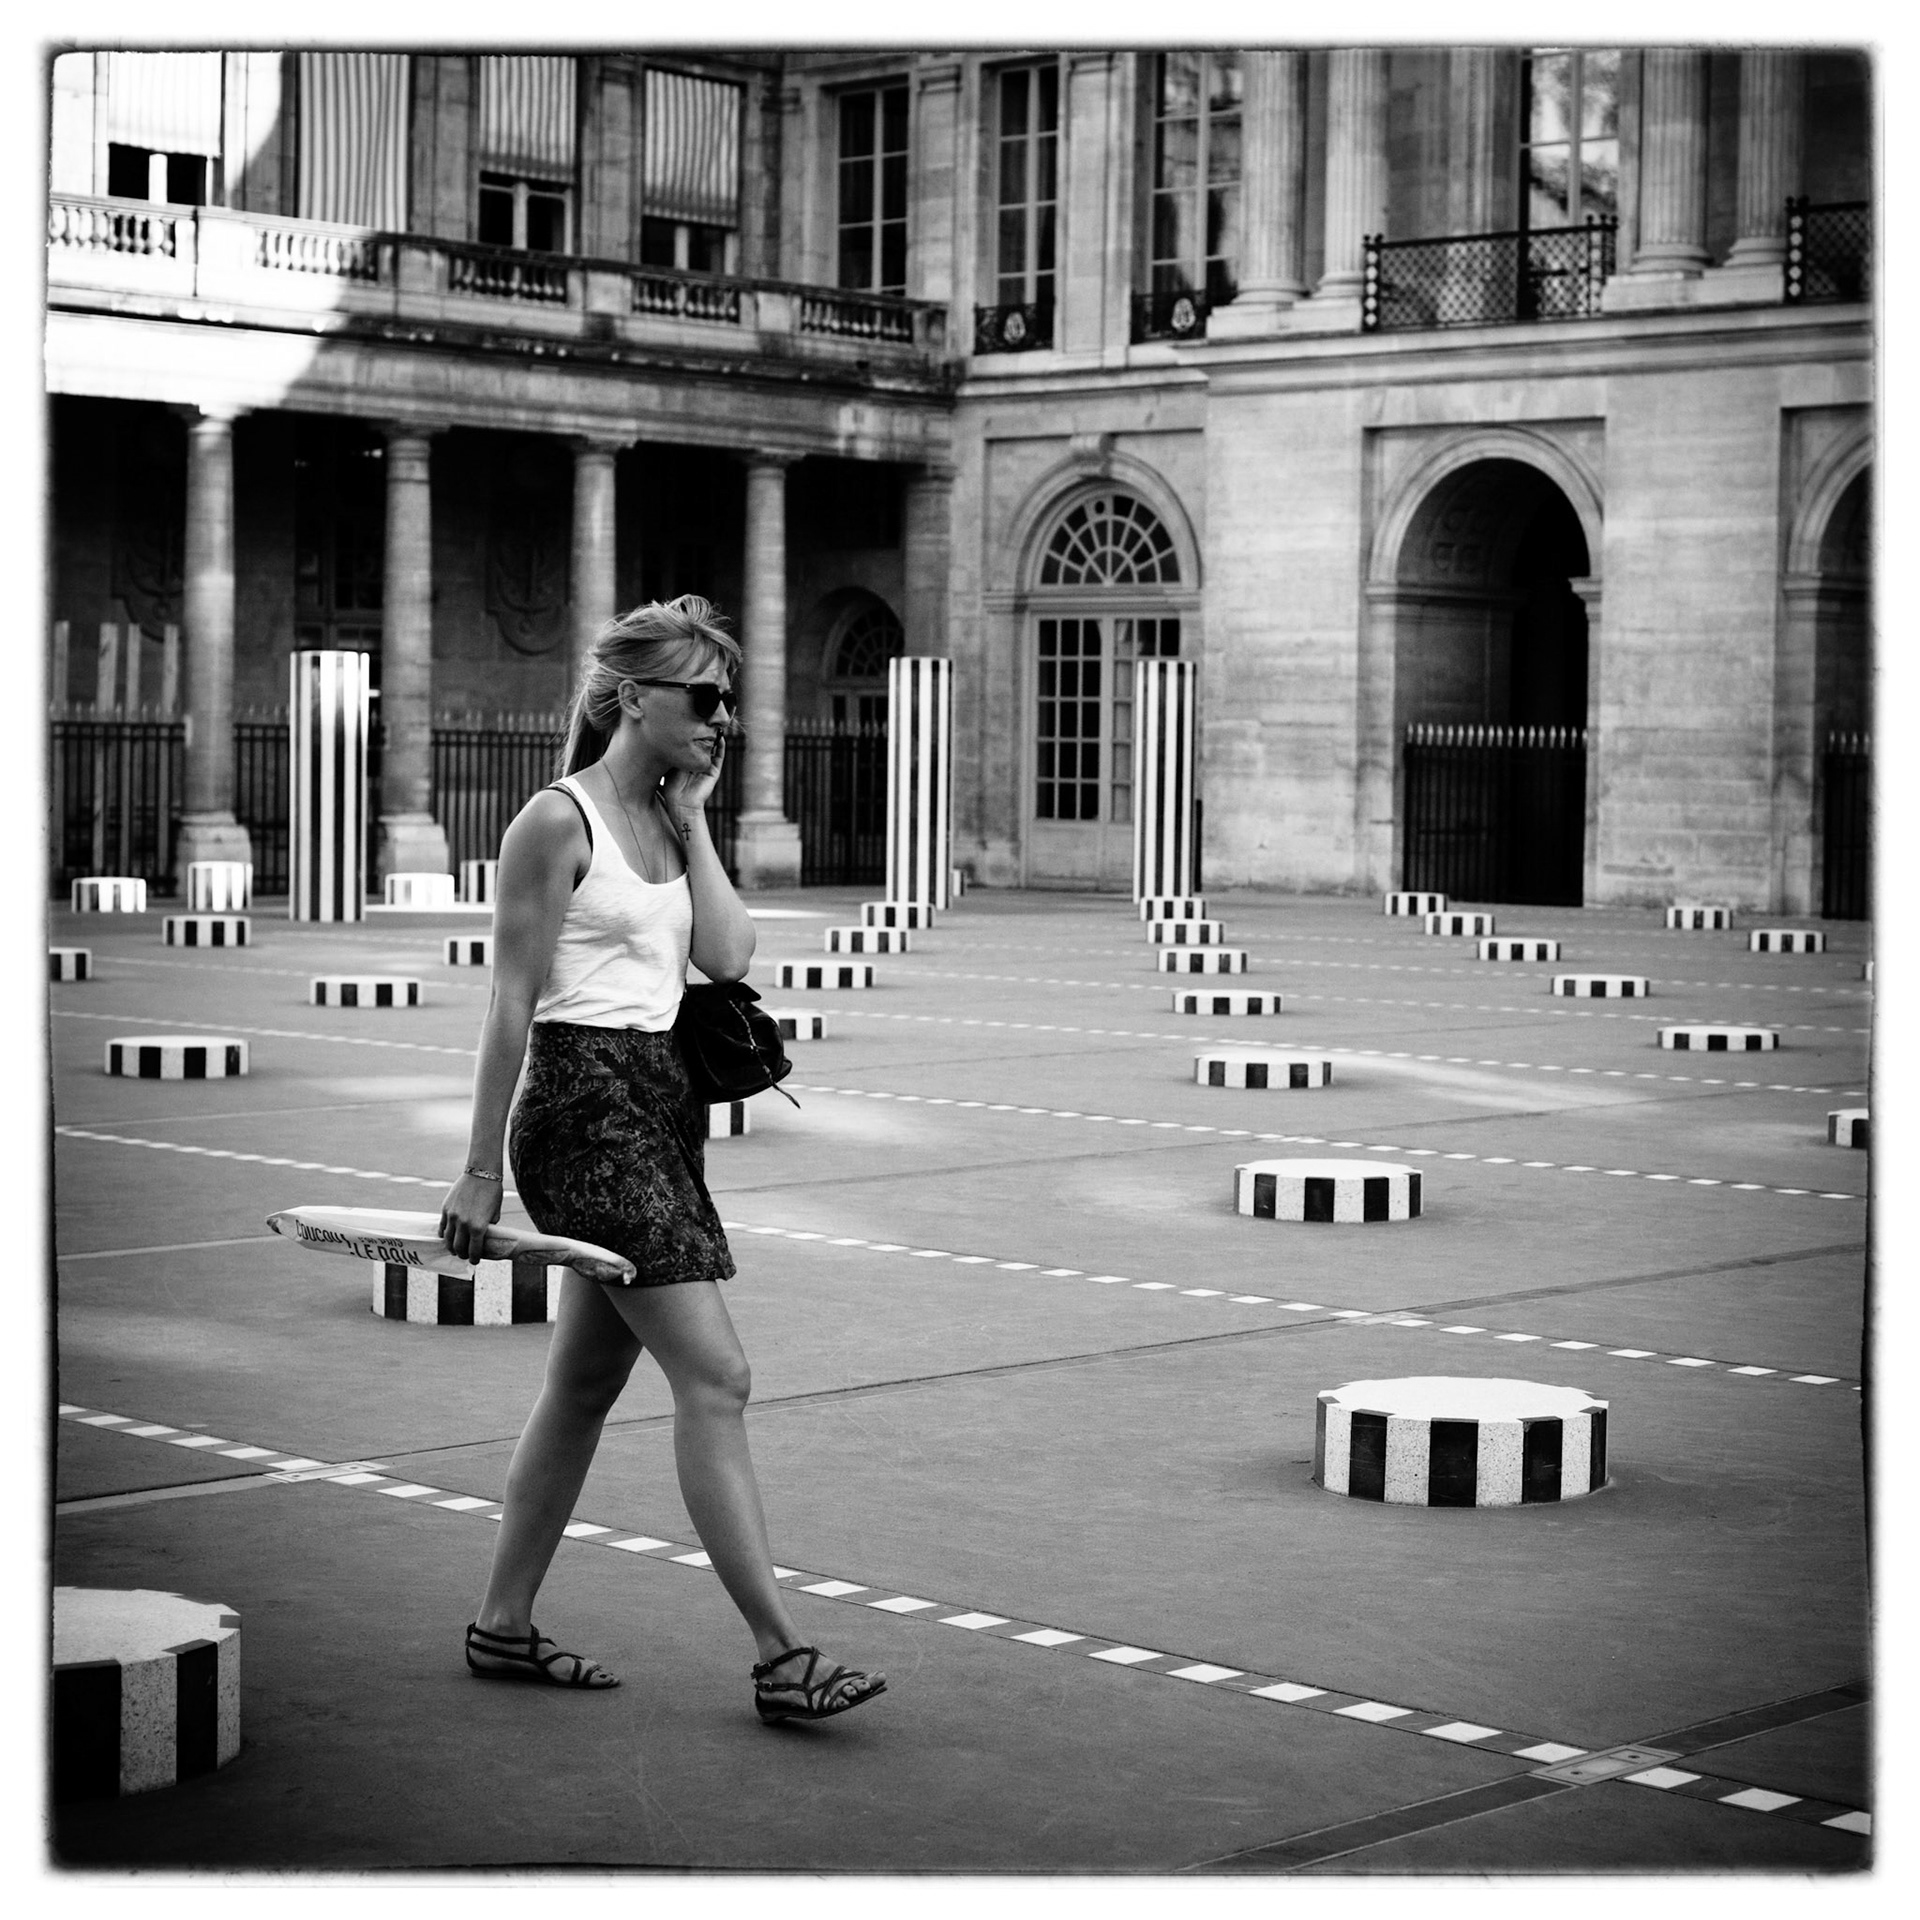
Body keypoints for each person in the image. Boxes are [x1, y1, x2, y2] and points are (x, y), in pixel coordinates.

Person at [438, 595, 886, 1726]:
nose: (724, 718)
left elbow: (729, 956)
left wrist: (693, 820)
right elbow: (508, 1007)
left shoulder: (664, 817)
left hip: (664, 1108)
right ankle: (783, 1655)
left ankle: (501, 1624)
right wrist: (480, 1171)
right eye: (705, 697)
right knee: (717, 1377)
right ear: (633, 696)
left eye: (733, 701)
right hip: (584, 1114)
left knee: (583, 1386)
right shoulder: (557, 820)